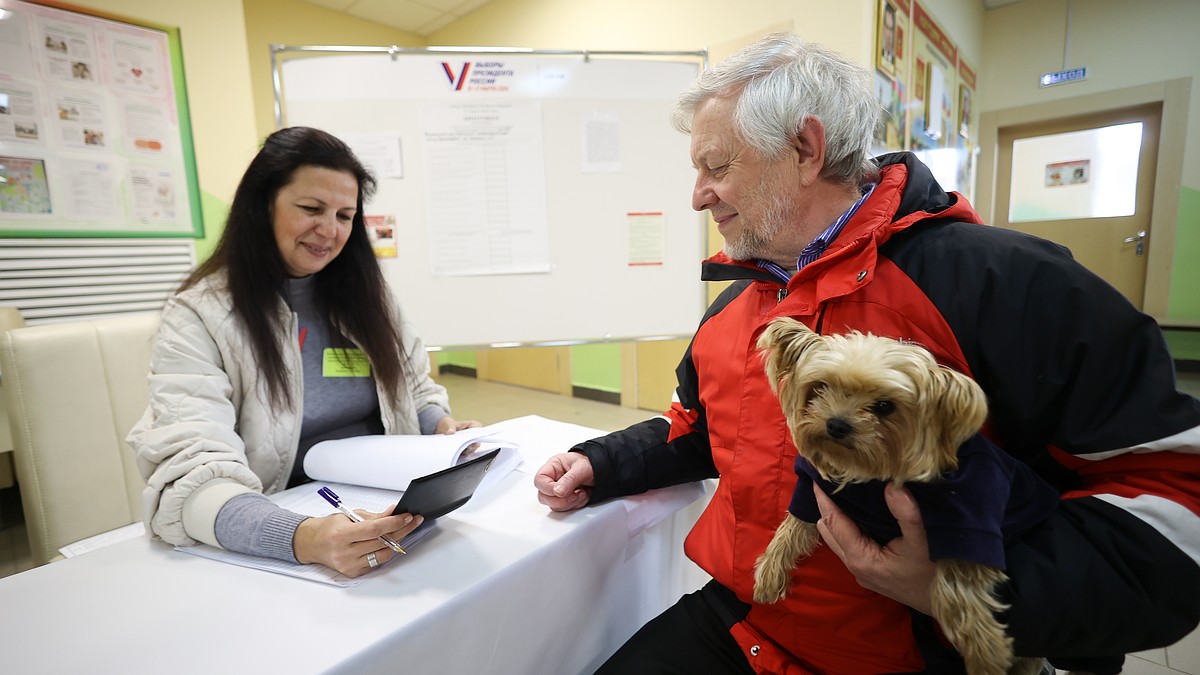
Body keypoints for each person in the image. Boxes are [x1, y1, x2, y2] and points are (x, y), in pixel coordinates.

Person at [534, 34, 1200, 674]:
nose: (697, 194)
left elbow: (1173, 507)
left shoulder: (1007, 285)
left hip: (924, 652)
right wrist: (600, 462)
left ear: (805, 147)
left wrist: (955, 587)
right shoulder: (730, 312)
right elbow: (698, 433)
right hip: (747, 621)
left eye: (716, 166)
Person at [130, 126, 479, 578]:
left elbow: (413, 390)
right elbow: (193, 477)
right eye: (311, 209)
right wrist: (303, 538)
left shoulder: (370, 297)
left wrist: (441, 425)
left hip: (381, 509)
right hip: (283, 519)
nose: (329, 231)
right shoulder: (199, 315)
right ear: (262, 206)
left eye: (344, 215)